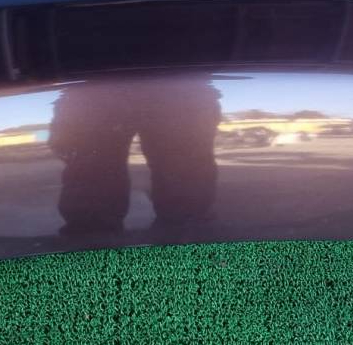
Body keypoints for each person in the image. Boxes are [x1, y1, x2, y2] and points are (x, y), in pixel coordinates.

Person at [48, 74, 222, 235]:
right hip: (181, 83)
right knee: (187, 188)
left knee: (187, 186)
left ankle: (92, 244)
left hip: (90, 85)